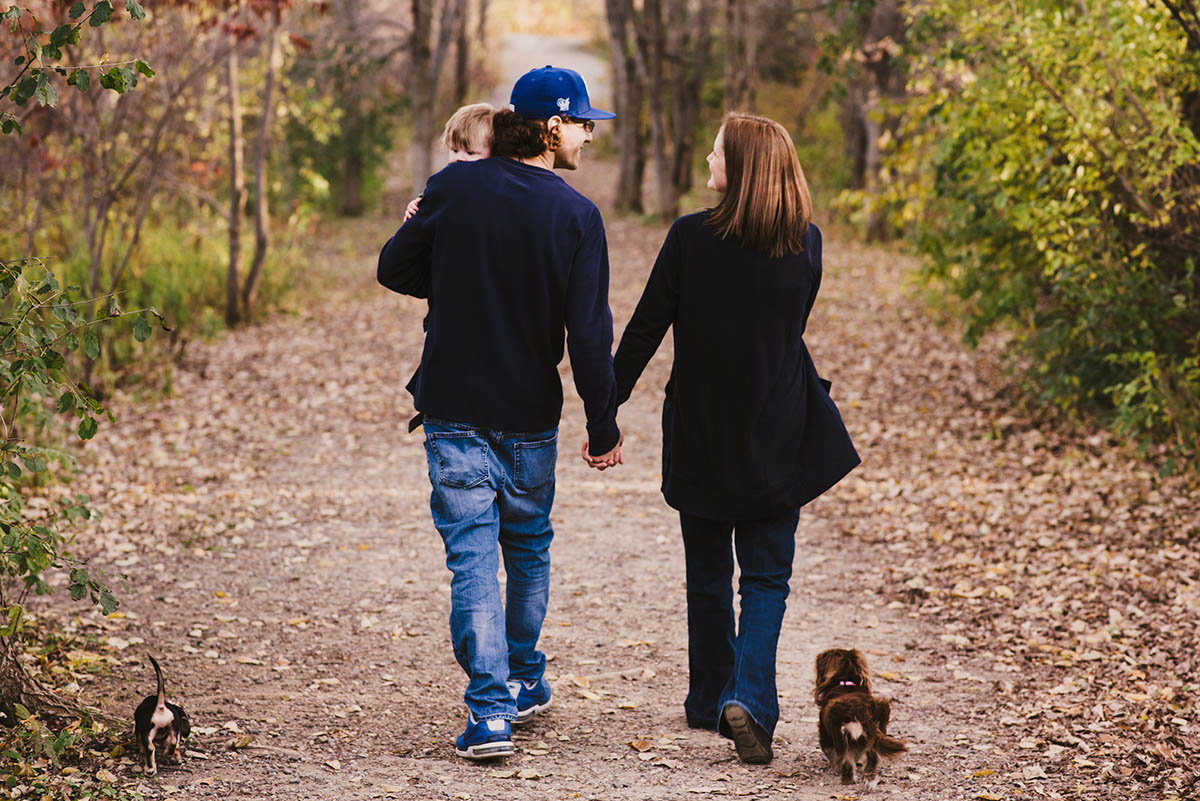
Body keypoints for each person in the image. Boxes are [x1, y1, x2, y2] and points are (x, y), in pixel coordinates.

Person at [377, 65, 623, 762]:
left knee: (473, 560)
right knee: (528, 546)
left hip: (455, 407)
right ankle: (517, 675)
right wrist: (602, 425)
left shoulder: (453, 185)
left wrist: (431, 237)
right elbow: (590, 334)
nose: (586, 137)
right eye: (581, 125)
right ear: (550, 128)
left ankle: (490, 713)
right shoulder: (577, 216)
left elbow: (395, 269)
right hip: (528, 415)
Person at [611, 112, 860, 765]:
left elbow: (645, 329)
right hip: (779, 432)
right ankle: (748, 698)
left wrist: (603, 407)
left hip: (700, 431)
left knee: (707, 574)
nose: (707, 163)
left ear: (742, 166)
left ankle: (708, 701)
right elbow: (787, 330)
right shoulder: (806, 243)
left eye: (716, 153)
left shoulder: (691, 237)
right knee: (767, 578)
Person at [404, 102, 495, 223]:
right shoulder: (445, 181)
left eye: (470, 153)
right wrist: (418, 205)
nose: (460, 158)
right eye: (455, 150)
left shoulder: (495, 186)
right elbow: (435, 197)